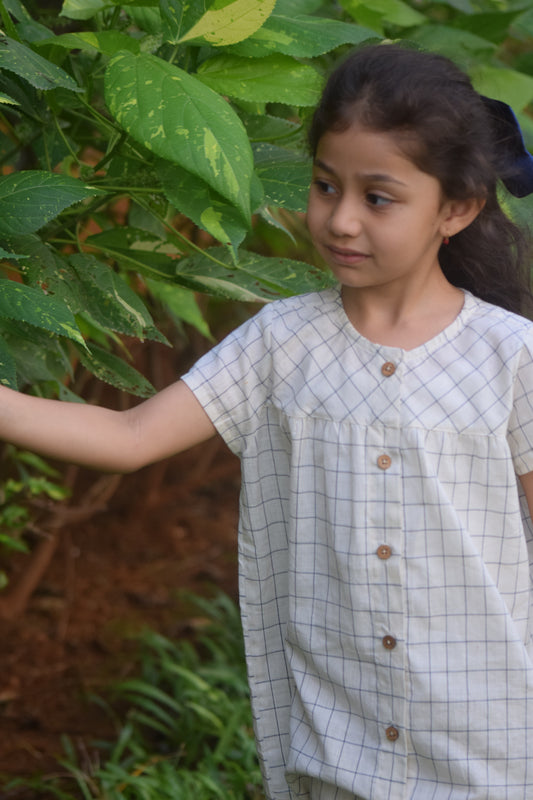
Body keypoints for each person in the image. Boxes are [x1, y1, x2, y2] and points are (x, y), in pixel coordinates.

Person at [2, 42, 533, 799]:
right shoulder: (281, 341)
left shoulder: (510, 356)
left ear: (456, 207)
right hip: (336, 750)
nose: (340, 219)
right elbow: (128, 438)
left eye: (377, 197)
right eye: (324, 186)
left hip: (493, 749)